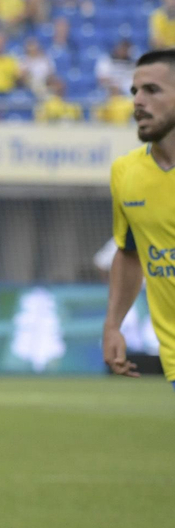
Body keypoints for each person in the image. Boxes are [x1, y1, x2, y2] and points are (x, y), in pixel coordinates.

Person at [104, 49, 175, 386]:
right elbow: (129, 253)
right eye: (135, 91)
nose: (138, 101)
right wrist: (113, 324)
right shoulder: (126, 173)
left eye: (152, 90)